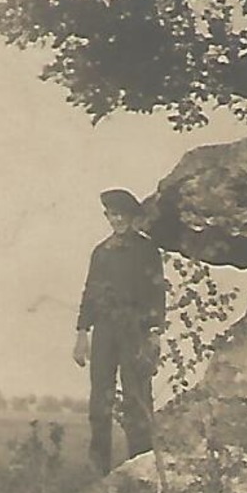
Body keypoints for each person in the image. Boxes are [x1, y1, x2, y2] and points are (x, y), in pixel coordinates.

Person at [72, 188, 166, 473]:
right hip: (104, 331)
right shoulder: (101, 253)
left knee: (136, 397)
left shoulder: (147, 251)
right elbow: (90, 294)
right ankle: (99, 469)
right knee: (100, 398)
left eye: (122, 215)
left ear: (132, 217)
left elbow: (157, 293)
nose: (117, 221)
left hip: (135, 330)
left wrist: (154, 334)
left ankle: (142, 467)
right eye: (112, 215)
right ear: (107, 217)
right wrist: (81, 334)